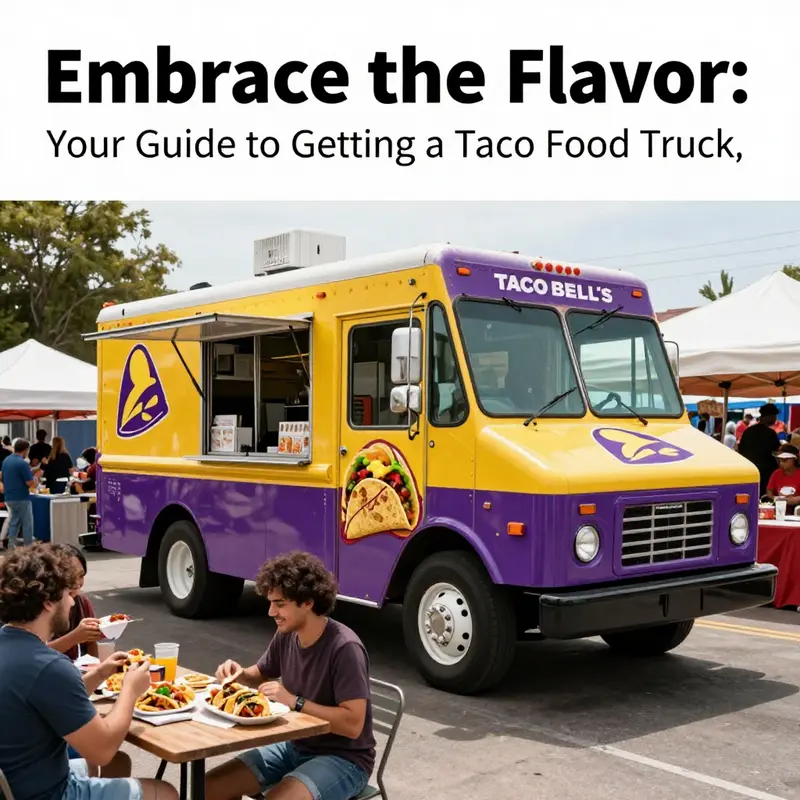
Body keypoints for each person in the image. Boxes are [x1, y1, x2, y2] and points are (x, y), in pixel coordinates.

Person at [0, 542, 178, 800]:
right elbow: (102, 749)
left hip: (15, 781)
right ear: (48, 602)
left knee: (117, 764)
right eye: (67, 593)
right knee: (165, 792)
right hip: (44, 793)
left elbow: (44, 699)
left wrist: (100, 673)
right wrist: (130, 690)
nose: (73, 601)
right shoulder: (49, 666)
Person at [206, 551, 375, 800]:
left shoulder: (345, 648)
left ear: (307, 602)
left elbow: (352, 725)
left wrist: (294, 701)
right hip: (294, 745)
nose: (271, 612)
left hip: (345, 759)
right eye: (270, 602)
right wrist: (237, 674)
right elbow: (259, 674)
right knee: (208, 787)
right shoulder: (287, 634)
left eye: (280, 603)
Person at [48, 544, 103, 660]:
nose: (77, 582)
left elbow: (91, 643)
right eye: (71, 576)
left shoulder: (82, 601)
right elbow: (34, 654)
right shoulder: (41, 607)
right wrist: (75, 637)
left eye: (81, 576)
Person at [0, 438, 40, 550]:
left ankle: (11, 545)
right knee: (27, 523)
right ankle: (28, 547)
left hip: (9, 497)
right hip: (21, 497)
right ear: (26, 449)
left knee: (14, 522)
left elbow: (3, 477)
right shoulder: (22, 463)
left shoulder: (6, 460)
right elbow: (30, 483)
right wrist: (36, 479)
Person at [739, 403, 783, 497]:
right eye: (774, 416)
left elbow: (740, 450)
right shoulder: (770, 433)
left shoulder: (748, 431)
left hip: (749, 472)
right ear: (769, 416)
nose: (775, 419)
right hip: (766, 474)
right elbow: (778, 454)